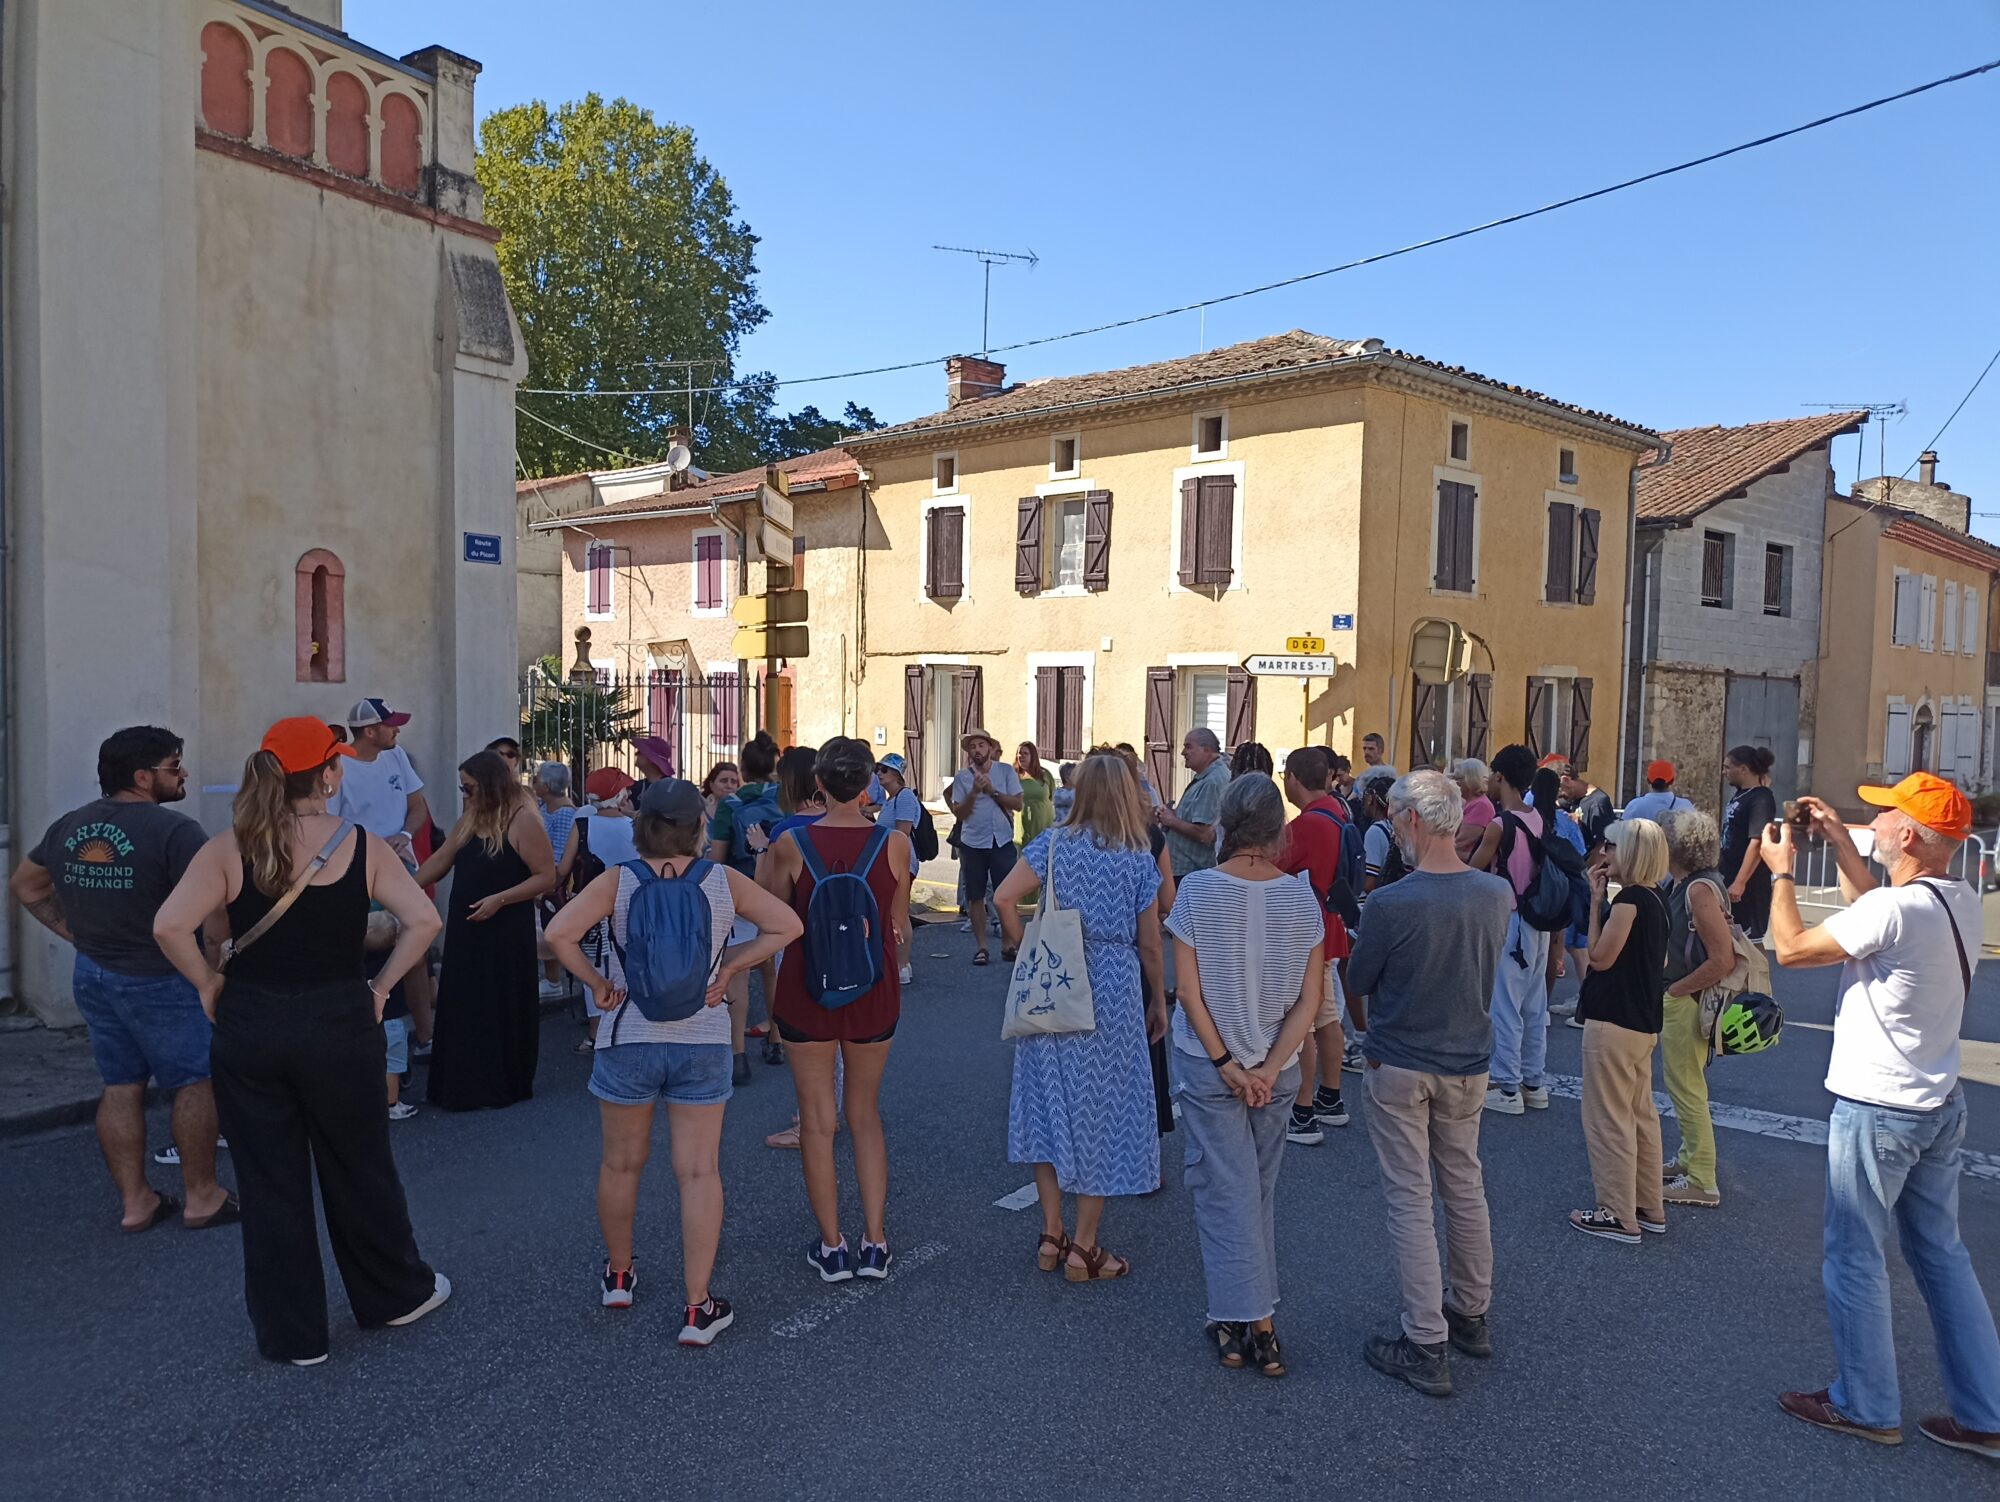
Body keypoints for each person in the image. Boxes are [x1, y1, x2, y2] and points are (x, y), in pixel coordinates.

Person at [152, 717, 446, 1366]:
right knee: (360, 1166)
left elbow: (171, 925)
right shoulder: (362, 845)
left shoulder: (231, 848)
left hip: (253, 1024)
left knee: (269, 1181)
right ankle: (394, 1295)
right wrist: (380, 988)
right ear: (330, 774)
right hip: (339, 1021)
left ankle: (294, 1335)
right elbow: (422, 919)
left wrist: (207, 982)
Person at [1762, 775, 2000, 1459]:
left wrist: (1783, 876)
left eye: (1888, 811)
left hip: (1878, 1108)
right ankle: (1984, 1411)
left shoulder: (1898, 911)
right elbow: (1877, 915)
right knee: (1942, 1255)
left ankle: (1865, 1403)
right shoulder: (1954, 900)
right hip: (1936, 1102)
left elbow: (1793, 948)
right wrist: (1839, 840)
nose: (1879, 815)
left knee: (1855, 1256)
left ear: (1910, 835)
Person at [545, 778, 800, 1344]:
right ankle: (696, 1307)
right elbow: (788, 925)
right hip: (702, 1037)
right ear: (697, 827)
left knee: (620, 1164)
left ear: (640, 827)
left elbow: (559, 933)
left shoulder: (617, 882)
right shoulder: (722, 881)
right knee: (698, 1171)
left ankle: (618, 1276)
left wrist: (597, 984)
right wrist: (731, 968)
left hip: (627, 1034)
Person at [9, 726, 234, 1231]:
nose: (184, 775)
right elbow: (215, 910)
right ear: (142, 775)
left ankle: (137, 1203)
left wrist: (75, 934)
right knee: (196, 1081)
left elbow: (26, 883)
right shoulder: (175, 832)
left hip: (94, 973)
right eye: (175, 766)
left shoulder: (69, 825)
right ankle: (202, 1197)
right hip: (163, 975)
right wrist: (215, 973)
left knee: (120, 1085)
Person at [1346, 770, 1511, 1397]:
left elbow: (1359, 979)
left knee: (1411, 1200)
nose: (1391, 826)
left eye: (1394, 816)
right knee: (1465, 1186)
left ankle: (1425, 1338)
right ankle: (1470, 1312)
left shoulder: (1391, 903)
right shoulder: (1494, 895)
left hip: (1403, 1061)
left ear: (1413, 820)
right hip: (1468, 1060)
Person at [1168, 775, 1324, 1379]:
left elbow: (1189, 992)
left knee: (1223, 1188)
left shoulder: (1199, 892)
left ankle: (1250, 1320)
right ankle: (1252, 1321)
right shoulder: (1301, 898)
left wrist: (1229, 1065)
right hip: (1278, 1065)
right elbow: (1309, 1002)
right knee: (1255, 1188)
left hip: (1214, 1062)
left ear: (1228, 823)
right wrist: (1263, 1065)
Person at [994, 752, 1165, 1281]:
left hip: (1055, 980)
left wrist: (1029, 950)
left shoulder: (1052, 846)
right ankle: (1084, 1246)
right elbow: (1151, 941)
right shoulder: (1137, 855)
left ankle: (1051, 1233)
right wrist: (1158, 997)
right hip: (1112, 985)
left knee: (1049, 1103)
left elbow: (1004, 898)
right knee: (1104, 1113)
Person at [760, 737, 913, 1283]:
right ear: (869, 783)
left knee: (818, 1123)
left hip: (808, 990)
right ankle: (875, 1240)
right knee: (865, 1116)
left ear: (818, 785)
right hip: (872, 989)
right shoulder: (893, 844)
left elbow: (770, 912)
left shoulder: (790, 842)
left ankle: (832, 1246)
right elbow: (900, 925)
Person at [415, 750, 557, 1110]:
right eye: (463, 788)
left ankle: (500, 1083)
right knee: (464, 1003)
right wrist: (398, 890)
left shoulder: (522, 820)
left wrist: (501, 899)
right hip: (467, 930)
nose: (465, 794)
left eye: (469, 788)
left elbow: (546, 876)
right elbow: (440, 860)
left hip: (505, 931)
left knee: (498, 1003)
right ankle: (460, 1084)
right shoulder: (472, 818)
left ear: (490, 785)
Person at [1568, 819, 1671, 1244]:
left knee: (1608, 1118)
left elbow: (1598, 957)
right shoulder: (1658, 899)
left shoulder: (1628, 901)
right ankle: (1649, 1204)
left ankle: (1616, 1211)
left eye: (1610, 845)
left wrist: (1595, 906)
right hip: (1643, 1021)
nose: (1604, 853)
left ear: (1628, 851)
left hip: (1613, 1019)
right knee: (1640, 1115)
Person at [332, 699, 435, 1052]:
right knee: (357, 947)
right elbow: (329, 824)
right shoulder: (339, 764)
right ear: (370, 730)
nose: (398, 730)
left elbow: (417, 806)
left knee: (415, 949)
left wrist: (404, 837)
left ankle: (425, 1036)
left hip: (399, 867)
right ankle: (365, 1037)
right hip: (355, 869)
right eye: (391, 725)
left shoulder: (396, 756)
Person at [1657, 808, 1739, 1209]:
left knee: (1686, 1089)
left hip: (1687, 999)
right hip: (1689, 996)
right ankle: (1690, 1160)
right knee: (1687, 1086)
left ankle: (1702, 1179)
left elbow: (1722, 958)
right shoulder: (1696, 883)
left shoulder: (1696, 890)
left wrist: (1676, 992)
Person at [1275, 746, 1352, 1145]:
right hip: (1332, 924)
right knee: (1327, 1015)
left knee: (1302, 1020)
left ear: (1292, 779)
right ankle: (1330, 1097)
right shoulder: (1340, 813)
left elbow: (1272, 866)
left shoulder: (1305, 826)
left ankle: (1302, 1112)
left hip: (1305, 931)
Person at [1469, 746, 1551, 1116]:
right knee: (1534, 1006)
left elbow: (1474, 872)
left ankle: (1506, 1086)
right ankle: (1534, 1082)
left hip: (1511, 917)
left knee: (1505, 1005)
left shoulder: (1501, 824)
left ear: (1501, 778)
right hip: (1539, 919)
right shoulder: (1537, 818)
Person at [710, 731, 782, 1084]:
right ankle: (776, 1038)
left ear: (742, 768)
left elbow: (717, 857)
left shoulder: (730, 805)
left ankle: (737, 1054)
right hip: (777, 891)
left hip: (740, 892)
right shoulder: (783, 797)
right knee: (772, 967)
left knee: (737, 969)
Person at [949, 728, 1024, 968]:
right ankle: (981, 946)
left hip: (1001, 840)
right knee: (975, 896)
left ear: (990, 748)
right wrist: (974, 792)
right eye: (972, 746)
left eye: (981, 745)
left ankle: (1007, 944)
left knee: (1006, 894)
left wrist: (992, 791)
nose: (977, 750)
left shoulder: (1005, 772)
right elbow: (959, 812)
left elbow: (1018, 804)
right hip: (973, 843)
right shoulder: (962, 777)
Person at [1152, 728, 1230, 883]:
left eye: (1188, 746)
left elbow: (1205, 834)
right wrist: (1172, 815)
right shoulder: (1208, 777)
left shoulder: (1212, 781)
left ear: (1206, 750)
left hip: (1191, 872)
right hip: (1187, 871)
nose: (1183, 752)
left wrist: (1171, 820)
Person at [1720, 745, 1778, 940]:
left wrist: (1740, 882)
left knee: (1750, 940)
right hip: (1729, 872)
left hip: (1750, 884)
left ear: (1743, 769)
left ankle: (1759, 972)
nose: (1724, 772)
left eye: (1728, 768)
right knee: (1733, 936)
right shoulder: (1744, 794)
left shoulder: (1761, 799)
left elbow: (1757, 841)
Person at [533, 762, 580, 1003]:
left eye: (538, 779)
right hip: (540, 878)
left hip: (550, 884)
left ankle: (554, 982)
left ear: (548, 786)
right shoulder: (544, 807)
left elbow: (560, 855)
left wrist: (548, 887)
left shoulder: (563, 814)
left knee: (546, 932)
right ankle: (552, 981)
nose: (534, 782)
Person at [876, 754, 924, 986]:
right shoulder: (890, 800)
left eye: (884, 770)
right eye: (878, 769)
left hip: (901, 862)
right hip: (891, 861)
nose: (879, 774)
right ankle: (896, 962)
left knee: (900, 913)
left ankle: (903, 965)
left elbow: (901, 833)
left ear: (897, 774)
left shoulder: (904, 798)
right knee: (894, 912)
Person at [1449, 759, 1494, 862]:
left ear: (1471, 779)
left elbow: (1460, 842)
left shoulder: (1481, 806)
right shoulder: (1468, 803)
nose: (1454, 783)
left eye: (1457, 779)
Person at [1623, 760, 1694, 825]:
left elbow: (1622, 833)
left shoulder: (1635, 806)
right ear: (1672, 781)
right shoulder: (1686, 806)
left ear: (1648, 780)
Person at [1014, 742, 1055, 847]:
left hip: (1044, 826)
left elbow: (1052, 797)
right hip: (1022, 828)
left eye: (1025, 753)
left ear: (1033, 756)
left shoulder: (1045, 775)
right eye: (1019, 753)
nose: (1021, 756)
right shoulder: (1013, 776)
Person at [1053, 761, 1077, 825]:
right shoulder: (1059, 794)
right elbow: (1073, 798)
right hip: (1062, 826)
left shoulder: (1076, 791)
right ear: (1067, 778)